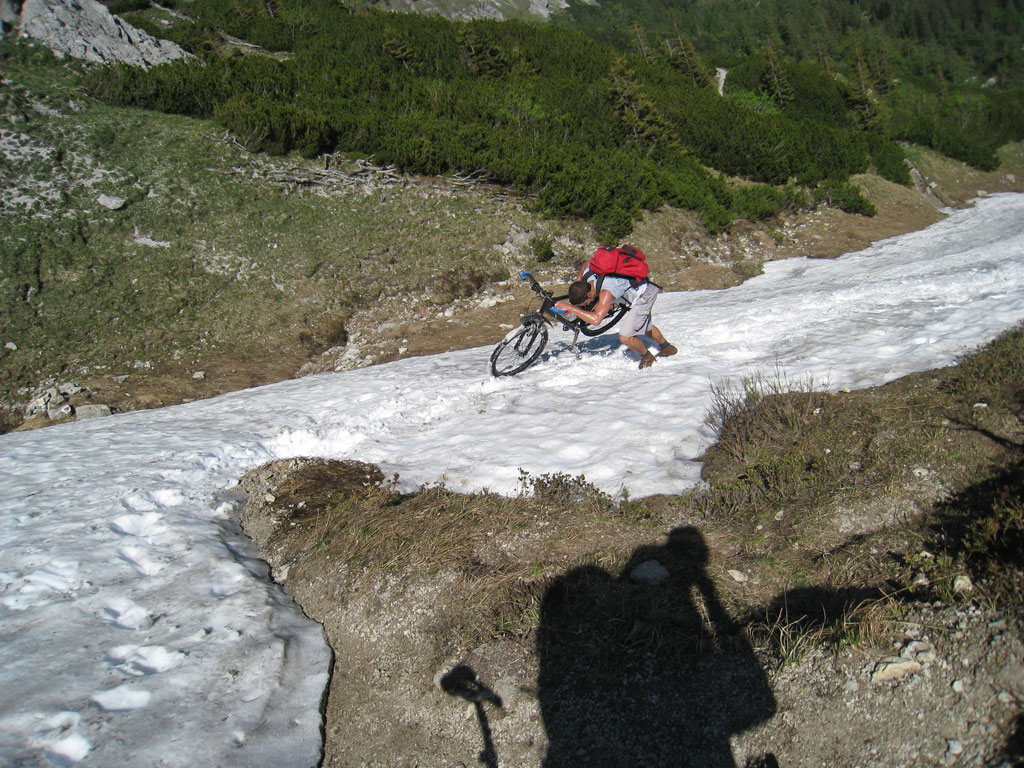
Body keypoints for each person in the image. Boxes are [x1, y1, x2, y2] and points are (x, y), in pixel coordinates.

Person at [553, 258, 676, 369]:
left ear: (589, 294)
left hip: (644, 295)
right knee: (643, 325)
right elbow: (587, 262)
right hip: (639, 286)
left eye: (585, 302)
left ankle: (647, 356)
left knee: (625, 336)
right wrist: (578, 280)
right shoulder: (587, 274)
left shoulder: (606, 292)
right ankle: (667, 347)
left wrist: (571, 308)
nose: (585, 305)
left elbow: (596, 320)